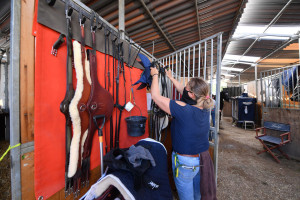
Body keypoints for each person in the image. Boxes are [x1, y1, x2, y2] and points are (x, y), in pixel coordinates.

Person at [150, 67, 217, 200]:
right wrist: (170, 77)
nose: (183, 89)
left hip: (185, 162)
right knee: (198, 194)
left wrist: (155, 75)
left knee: (186, 197)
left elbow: (156, 97)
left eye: (187, 87)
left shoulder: (183, 109)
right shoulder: (205, 105)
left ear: (192, 94)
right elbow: (182, 90)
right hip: (201, 159)